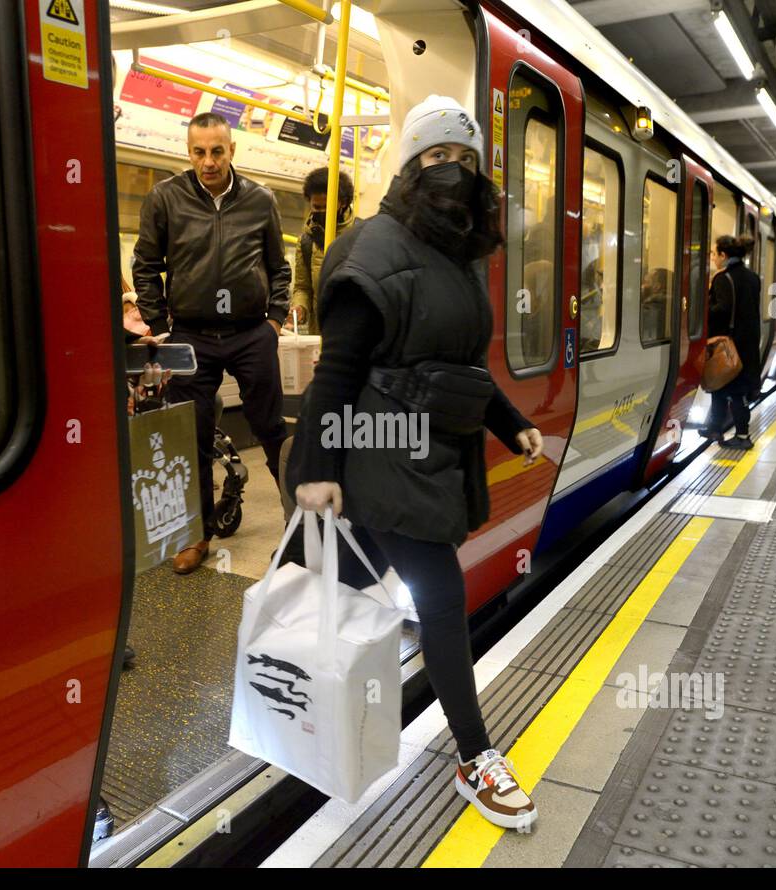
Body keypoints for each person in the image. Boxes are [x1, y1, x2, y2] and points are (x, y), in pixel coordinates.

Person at [287, 95, 544, 830]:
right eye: (436, 157)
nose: (452, 172)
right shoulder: (377, 247)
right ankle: (475, 755)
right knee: (438, 595)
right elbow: (336, 370)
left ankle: (292, 708)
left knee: (336, 587)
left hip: (432, 449)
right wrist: (316, 465)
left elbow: (458, 365)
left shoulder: (455, 255)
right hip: (378, 449)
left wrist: (509, 420)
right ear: (409, 165)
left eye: (464, 160)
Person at [131, 112, 292, 573]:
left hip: (249, 333)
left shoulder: (260, 200)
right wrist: (161, 325)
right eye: (199, 152)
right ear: (189, 153)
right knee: (192, 439)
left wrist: (275, 321)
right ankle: (194, 535)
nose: (208, 161)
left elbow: (278, 266)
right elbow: (146, 264)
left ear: (231, 151)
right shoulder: (165, 198)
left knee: (272, 431)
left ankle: (299, 527)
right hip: (191, 336)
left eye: (216, 151)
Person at [701, 235, 762, 450]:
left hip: (728, 344)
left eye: (714, 254)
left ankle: (743, 436)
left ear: (723, 255)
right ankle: (714, 427)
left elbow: (722, 309)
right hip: (747, 343)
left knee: (734, 391)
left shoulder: (722, 278)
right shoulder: (753, 277)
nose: (713, 258)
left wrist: (702, 312)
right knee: (721, 387)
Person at [288, 167, 356, 335]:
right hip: (319, 332)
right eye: (316, 207)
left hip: (353, 330)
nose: (321, 212)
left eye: (327, 207)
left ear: (342, 203)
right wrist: (300, 308)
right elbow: (302, 287)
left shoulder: (360, 234)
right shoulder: (306, 241)